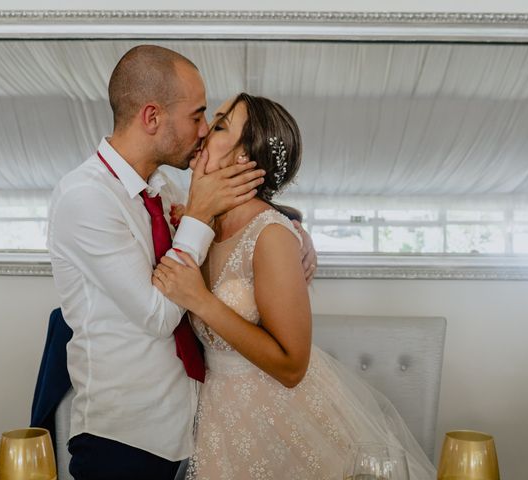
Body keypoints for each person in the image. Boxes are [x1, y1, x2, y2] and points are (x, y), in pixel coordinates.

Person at [47, 46, 317, 480]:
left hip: (193, 427)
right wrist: (197, 216)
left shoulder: (164, 189)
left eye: (214, 121)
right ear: (152, 117)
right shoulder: (87, 199)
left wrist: (293, 231)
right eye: (197, 116)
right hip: (124, 436)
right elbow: (158, 313)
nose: (204, 130)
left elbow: (237, 227)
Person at [153, 93, 437, 479]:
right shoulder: (197, 224)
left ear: (243, 158)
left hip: (279, 421)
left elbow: (292, 366)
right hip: (218, 418)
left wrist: (201, 301)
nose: (203, 131)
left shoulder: (270, 235)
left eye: (219, 125)